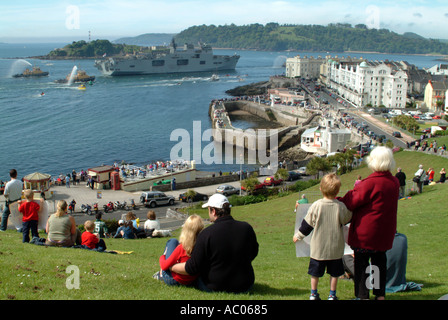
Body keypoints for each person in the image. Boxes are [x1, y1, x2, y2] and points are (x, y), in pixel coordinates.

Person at [338, 146, 400, 300]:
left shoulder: (369, 183)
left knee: (362, 265)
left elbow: (351, 202)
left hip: (366, 232)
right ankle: (380, 295)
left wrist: (339, 198)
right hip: (385, 230)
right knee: (379, 262)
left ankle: (363, 296)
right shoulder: (394, 182)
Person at [171, 193, 259, 293]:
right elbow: (254, 252)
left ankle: (162, 274)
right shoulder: (246, 228)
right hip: (245, 284)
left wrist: (171, 267)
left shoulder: (207, 234)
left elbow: (192, 268)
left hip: (215, 286)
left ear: (213, 211)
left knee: (172, 265)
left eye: (208, 210)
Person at [293, 173, 352, 300]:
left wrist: (298, 236)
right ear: (337, 190)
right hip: (336, 248)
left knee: (315, 273)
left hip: (318, 248)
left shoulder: (316, 205)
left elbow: (307, 225)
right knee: (335, 274)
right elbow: (347, 219)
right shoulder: (340, 206)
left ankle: (313, 294)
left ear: (320, 189)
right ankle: (332, 295)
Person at [155, 214, 204, 286]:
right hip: (192, 280)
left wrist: (163, 256)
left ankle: (160, 275)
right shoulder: (201, 246)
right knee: (173, 242)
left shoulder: (182, 247)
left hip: (175, 280)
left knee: (172, 241)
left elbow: (164, 266)